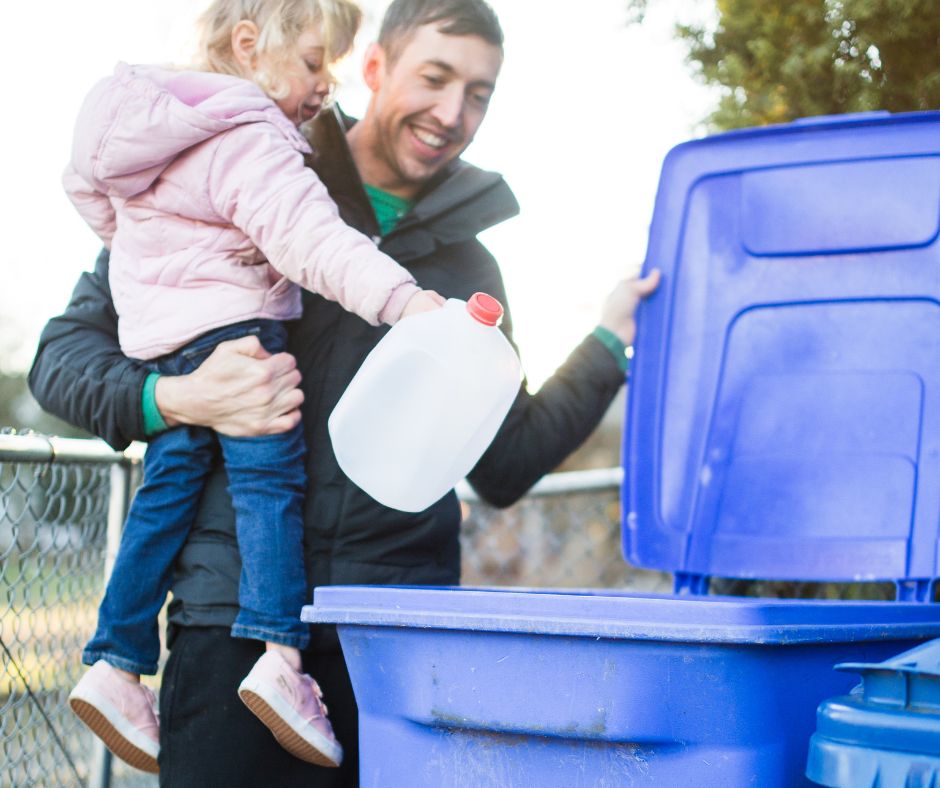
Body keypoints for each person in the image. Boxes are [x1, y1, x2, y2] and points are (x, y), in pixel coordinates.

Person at [29, 0, 661, 784]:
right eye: (434, 77)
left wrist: (607, 342)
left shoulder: (471, 274)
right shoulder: (237, 173)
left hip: (389, 639)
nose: (451, 112)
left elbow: (505, 462)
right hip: (226, 624)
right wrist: (181, 398)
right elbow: (59, 361)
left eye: (479, 93)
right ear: (371, 68)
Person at [59, 0, 447, 774]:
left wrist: (159, 288)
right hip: (240, 333)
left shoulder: (145, 138)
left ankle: (113, 661)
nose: (323, 86)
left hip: (166, 336)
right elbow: (312, 241)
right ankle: (279, 657)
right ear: (248, 47)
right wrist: (406, 303)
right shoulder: (250, 139)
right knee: (269, 489)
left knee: (163, 494)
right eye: (312, 62)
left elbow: (88, 197)